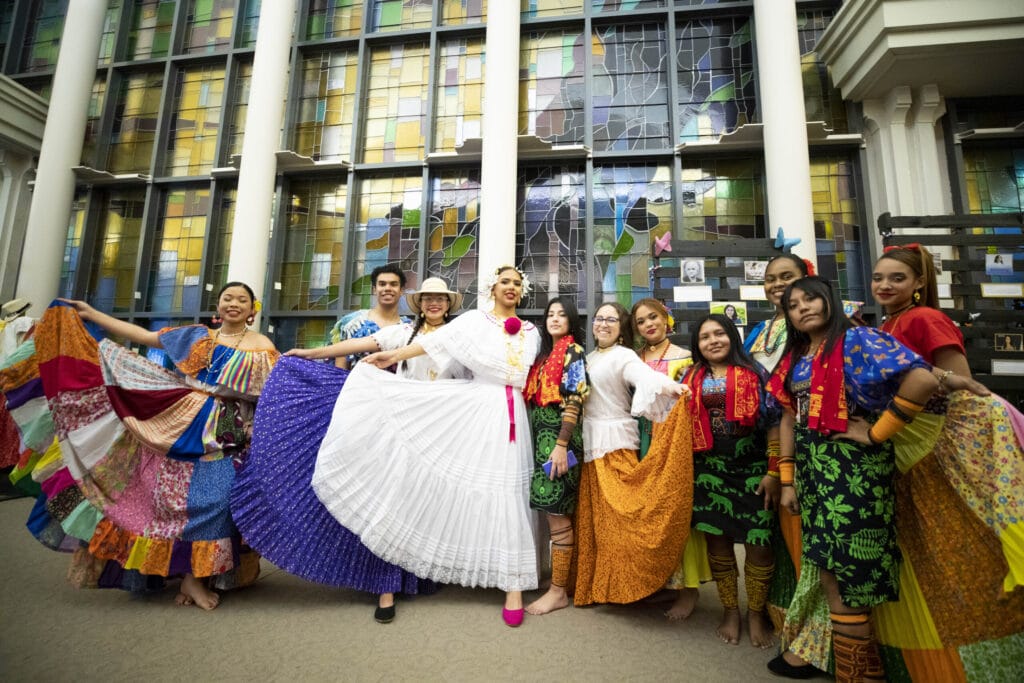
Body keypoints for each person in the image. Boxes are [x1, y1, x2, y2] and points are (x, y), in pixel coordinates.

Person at [765, 276, 981, 682]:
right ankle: (863, 673)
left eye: (812, 298)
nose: (803, 308)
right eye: (794, 305)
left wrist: (876, 431)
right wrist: (789, 480)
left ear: (830, 300)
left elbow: (920, 378)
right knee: (830, 571)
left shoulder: (858, 340)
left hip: (854, 474)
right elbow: (790, 415)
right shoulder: (796, 355)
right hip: (814, 474)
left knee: (851, 576)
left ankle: (858, 676)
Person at [310, 265, 541, 627]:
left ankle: (513, 584)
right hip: (463, 409)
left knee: (507, 490)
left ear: (522, 290)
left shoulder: (530, 331)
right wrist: (389, 357)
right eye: (504, 281)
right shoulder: (472, 323)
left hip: (501, 413)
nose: (510, 287)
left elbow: (521, 371)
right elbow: (434, 344)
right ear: (492, 287)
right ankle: (395, 581)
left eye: (516, 282)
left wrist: (501, 373)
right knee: (425, 489)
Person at [230, 277, 464, 623]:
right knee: (389, 501)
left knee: (421, 505)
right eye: (427, 298)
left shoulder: (460, 338)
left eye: (439, 299)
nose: (433, 304)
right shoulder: (402, 333)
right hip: (396, 429)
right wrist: (310, 354)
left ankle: (415, 575)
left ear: (448, 304)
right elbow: (357, 344)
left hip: (438, 432)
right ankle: (384, 585)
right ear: (419, 304)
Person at [38, 283, 277, 610]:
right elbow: (143, 336)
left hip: (228, 427)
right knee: (172, 497)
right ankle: (187, 576)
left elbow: (273, 393)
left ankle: (199, 578)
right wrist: (93, 314)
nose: (233, 304)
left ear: (253, 310)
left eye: (242, 300)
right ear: (218, 306)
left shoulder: (262, 346)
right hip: (179, 419)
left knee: (220, 497)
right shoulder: (196, 336)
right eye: (227, 298)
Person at [869, 245, 1024, 680]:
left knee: (959, 542)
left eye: (897, 279)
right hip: (909, 437)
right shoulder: (889, 321)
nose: (884, 285)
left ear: (919, 284)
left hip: (936, 443)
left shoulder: (925, 319)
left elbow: (961, 387)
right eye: (879, 277)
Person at [745, 254, 835, 677]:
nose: (778, 286)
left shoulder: (827, 329)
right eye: (770, 280)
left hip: (821, 450)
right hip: (775, 447)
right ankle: (795, 628)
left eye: (788, 278)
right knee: (786, 543)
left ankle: (822, 643)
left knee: (819, 549)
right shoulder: (762, 332)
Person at [573, 302, 692, 607]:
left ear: (621, 327)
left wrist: (672, 388)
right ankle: (604, 586)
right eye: (599, 318)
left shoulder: (624, 356)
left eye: (611, 319)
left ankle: (638, 584)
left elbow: (644, 377)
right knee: (599, 524)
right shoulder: (588, 357)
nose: (603, 323)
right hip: (590, 445)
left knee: (625, 520)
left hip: (615, 445)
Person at [683, 314, 780, 648]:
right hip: (708, 471)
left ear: (732, 337)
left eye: (719, 334)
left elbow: (774, 422)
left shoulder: (756, 372)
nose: (713, 341)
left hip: (753, 471)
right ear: (697, 345)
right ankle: (730, 610)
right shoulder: (691, 376)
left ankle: (755, 612)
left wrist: (773, 471)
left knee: (760, 543)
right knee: (718, 543)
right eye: (705, 336)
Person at [630, 298, 709, 620]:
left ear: (666, 319)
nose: (649, 324)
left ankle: (689, 589)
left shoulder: (685, 357)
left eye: (653, 317)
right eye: (641, 321)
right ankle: (659, 582)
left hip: (673, 442)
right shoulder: (632, 359)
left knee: (677, 512)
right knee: (648, 513)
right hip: (641, 441)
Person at [523, 296, 589, 616]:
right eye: (550, 314)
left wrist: (561, 445)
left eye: (562, 314)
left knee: (557, 513)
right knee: (550, 513)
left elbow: (575, 399)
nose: (555, 318)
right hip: (541, 440)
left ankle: (558, 592)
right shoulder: (543, 357)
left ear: (571, 321)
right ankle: (557, 581)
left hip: (560, 441)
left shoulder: (573, 352)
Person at [327, 263, 408, 369]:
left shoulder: (408, 328)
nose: (387, 288)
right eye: (382, 284)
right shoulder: (352, 323)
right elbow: (340, 368)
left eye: (393, 284)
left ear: (401, 290)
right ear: (374, 289)